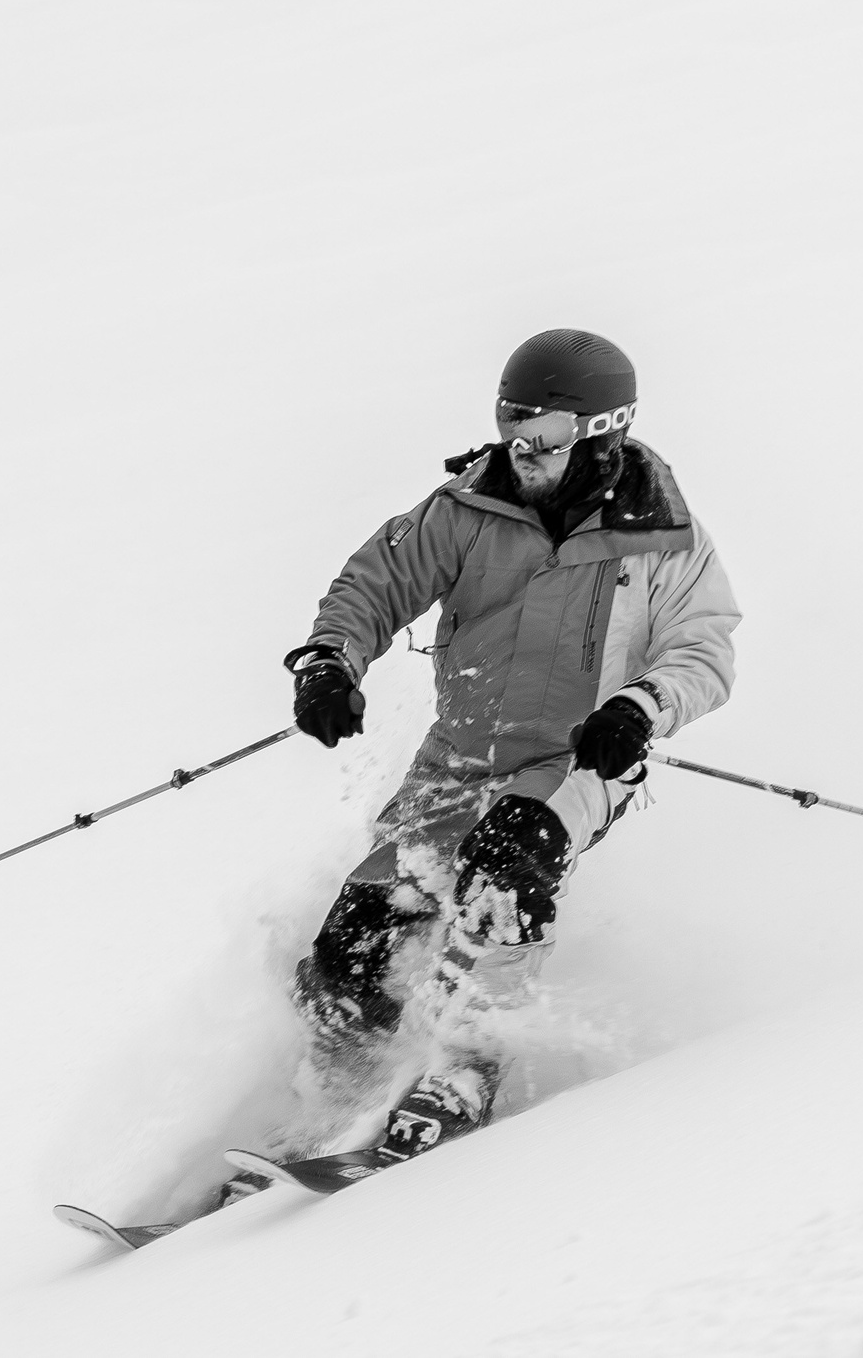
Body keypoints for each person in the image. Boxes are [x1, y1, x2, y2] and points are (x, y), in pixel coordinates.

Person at [277, 328, 740, 1163]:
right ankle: (342, 1087)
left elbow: (703, 649)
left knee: (509, 854)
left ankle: (465, 1064)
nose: (523, 449)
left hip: (577, 760)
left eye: (547, 434)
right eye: (511, 424)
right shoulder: (468, 508)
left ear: (604, 432)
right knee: (354, 935)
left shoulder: (664, 536)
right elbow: (374, 583)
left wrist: (641, 705)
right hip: (457, 759)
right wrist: (330, 661)